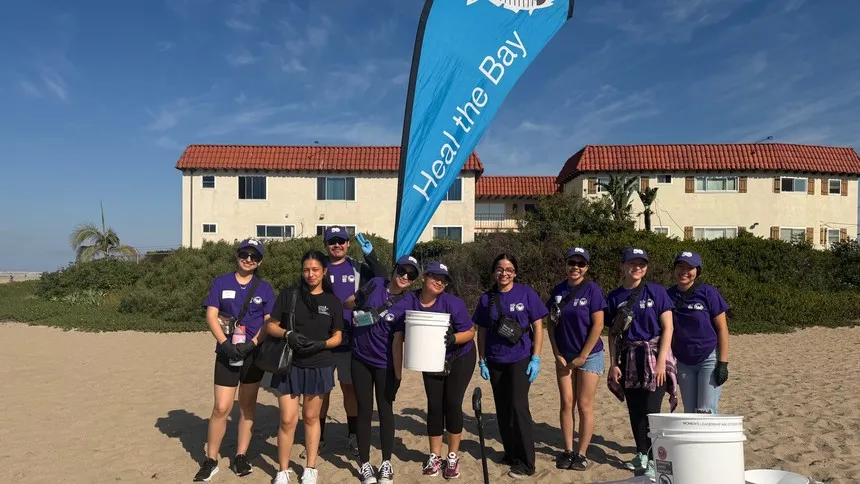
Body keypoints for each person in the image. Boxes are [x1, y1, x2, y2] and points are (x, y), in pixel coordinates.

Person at [195, 239, 276, 482]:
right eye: (245, 253)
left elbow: (268, 322)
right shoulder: (221, 282)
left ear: (259, 261)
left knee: (247, 406)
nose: (249, 259)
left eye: (254, 256)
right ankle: (211, 459)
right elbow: (211, 315)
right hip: (227, 352)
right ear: (237, 255)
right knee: (221, 407)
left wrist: (252, 344)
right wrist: (225, 344)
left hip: (252, 353)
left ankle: (241, 455)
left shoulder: (265, 288)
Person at [265, 250, 344, 484]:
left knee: (311, 418)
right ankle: (283, 469)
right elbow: (271, 325)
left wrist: (322, 344)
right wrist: (287, 334)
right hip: (290, 364)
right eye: (307, 270)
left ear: (324, 271)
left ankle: (310, 467)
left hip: (319, 363)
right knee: (288, 420)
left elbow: (338, 336)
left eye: (315, 270)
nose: (311, 274)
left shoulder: (332, 301)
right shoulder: (289, 295)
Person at [341, 255, 420, 484]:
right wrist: (357, 305)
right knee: (364, 410)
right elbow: (349, 303)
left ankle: (386, 463)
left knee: (386, 410)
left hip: (384, 363)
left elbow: (399, 341)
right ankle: (365, 463)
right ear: (395, 269)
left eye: (411, 274)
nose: (405, 276)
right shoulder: (375, 283)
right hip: (360, 359)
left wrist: (397, 375)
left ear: (414, 280)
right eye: (402, 270)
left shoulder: (408, 302)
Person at [606, 248, 678, 481]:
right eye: (632, 263)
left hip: (653, 356)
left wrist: (660, 364)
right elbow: (613, 334)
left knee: (652, 411)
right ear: (623, 265)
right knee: (635, 410)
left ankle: (656, 459)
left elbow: (668, 327)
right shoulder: (615, 297)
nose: (637, 268)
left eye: (642, 264)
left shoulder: (656, 291)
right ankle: (640, 454)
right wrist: (613, 363)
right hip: (628, 357)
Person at [474, 253, 548, 479]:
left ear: (515, 272)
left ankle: (527, 462)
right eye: (499, 269)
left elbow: (538, 325)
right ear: (493, 272)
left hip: (520, 358)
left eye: (508, 269)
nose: (503, 273)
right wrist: (482, 359)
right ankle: (511, 453)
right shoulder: (487, 299)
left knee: (518, 408)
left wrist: (536, 358)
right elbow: (482, 330)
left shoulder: (526, 293)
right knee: (502, 409)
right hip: (496, 360)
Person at [315, 226, 387, 457]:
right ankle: (319, 437)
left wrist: (371, 255)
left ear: (348, 243)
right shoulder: (318, 267)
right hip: (323, 339)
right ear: (326, 244)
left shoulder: (357, 266)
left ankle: (353, 435)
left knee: (349, 389)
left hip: (350, 338)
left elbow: (383, 278)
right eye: (332, 241)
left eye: (341, 241)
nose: (337, 245)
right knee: (321, 391)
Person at [400, 261, 476, 480]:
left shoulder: (453, 303)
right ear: (424, 277)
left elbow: (470, 332)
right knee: (434, 405)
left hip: (460, 355)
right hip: (429, 357)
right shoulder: (410, 299)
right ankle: (435, 456)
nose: (440, 282)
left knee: (452, 403)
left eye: (444, 279)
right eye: (435, 276)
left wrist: (453, 338)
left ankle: (452, 456)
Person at [546, 247, 607, 471]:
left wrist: (583, 355)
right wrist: (556, 352)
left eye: (581, 264)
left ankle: (581, 453)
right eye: (572, 262)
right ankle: (568, 450)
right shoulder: (558, 290)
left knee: (584, 404)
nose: (576, 267)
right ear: (566, 264)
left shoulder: (592, 290)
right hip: (564, 355)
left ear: (587, 268)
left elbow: (598, 325)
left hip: (589, 355)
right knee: (566, 403)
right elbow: (550, 324)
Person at [668, 250, 730, 414]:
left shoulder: (708, 292)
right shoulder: (668, 295)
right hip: (683, 361)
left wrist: (723, 363)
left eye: (690, 268)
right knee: (690, 411)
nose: (684, 272)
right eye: (680, 267)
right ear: (674, 269)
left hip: (708, 358)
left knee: (706, 410)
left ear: (697, 271)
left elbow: (722, 328)